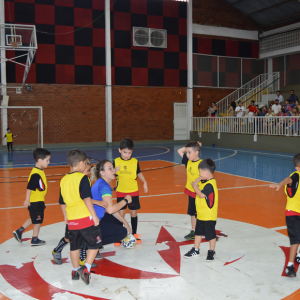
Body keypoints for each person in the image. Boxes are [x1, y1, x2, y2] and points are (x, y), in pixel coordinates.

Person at [59, 149, 101, 285]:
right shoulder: (83, 178)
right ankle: (86, 268)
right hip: (84, 218)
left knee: (74, 246)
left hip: (72, 220)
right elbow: (86, 198)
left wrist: (66, 216)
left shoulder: (63, 180)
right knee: (96, 244)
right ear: (82, 163)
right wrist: (94, 215)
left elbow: (62, 201)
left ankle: (75, 270)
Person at [52, 159, 103, 266]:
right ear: (81, 167)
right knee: (68, 238)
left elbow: (84, 199)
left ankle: (83, 259)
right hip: (73, 215)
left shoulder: (85, 179)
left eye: (89, 171)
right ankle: (57, 250)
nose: (88, 173)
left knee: (84, 237)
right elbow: (82, 198)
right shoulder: (75, 179)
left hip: (82, 214)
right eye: (87, 170)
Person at [270, 153, 300, 277]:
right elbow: (289, 179)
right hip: (293, 214)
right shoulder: (296, 175)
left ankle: (298, 256)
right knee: (296, 240)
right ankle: (290, 266)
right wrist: (280, 183)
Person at [13, 148, 51, 246]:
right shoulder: (36, 173)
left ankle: (19, 231)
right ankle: (35, 239)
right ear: (40, 160)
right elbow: (29, 187)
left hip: (37, 200)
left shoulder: (38, 170)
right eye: (47, 160)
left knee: (33, 217)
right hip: (36, 201)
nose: (49, 162)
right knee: (38, 221)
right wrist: (27, 200)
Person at [91, 159, 132, 247]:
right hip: (91, 223)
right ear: (102, 172)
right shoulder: (104, 186)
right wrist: (125, 200)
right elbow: (110, 210)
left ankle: (93, 240)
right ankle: (92, 243)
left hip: (92, 220)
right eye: (110, 168)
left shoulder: (100, 183)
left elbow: (112, 207)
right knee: (122, 232)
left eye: (113, 168)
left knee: (118, 220)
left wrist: (125, 222)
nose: (113, 170)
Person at [113, 138, 148, 244]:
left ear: (132, 151)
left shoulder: (135, 162)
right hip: (121, 192)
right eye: (124, 152)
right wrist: (114, 171)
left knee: (133, 213)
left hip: (133, 191)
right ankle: (119, 235)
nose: (126, 155)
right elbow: (110, 175)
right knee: (121, 214)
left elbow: (138, 173)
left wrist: (144, 182)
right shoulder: (115, 161)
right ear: (120, 150)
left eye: (129, 152)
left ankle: (135, 234)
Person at [184, 159, 218, 261]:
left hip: (208, 216)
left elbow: (201, 195)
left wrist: (195, 186)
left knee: (211, 235)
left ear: (207, 172)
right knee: (198, 233)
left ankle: (211, 252)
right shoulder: (205, 182)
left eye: (200, 172)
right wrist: (197, 184)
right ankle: (196, 249)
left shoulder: (210, 184)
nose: (199, 174)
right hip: (201, 214)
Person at [178, 141, 202, 240]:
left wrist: (195, 148)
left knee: (201, 213)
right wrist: (193, 146)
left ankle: (207, 231)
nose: (187, 154)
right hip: (190, 191)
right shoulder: (188, 161)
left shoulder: (202, 164)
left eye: (189, 152)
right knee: (192, 213)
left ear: (196, 153)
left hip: (199, 193)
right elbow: (179, 150)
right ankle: (194, 231)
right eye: (186, 152)